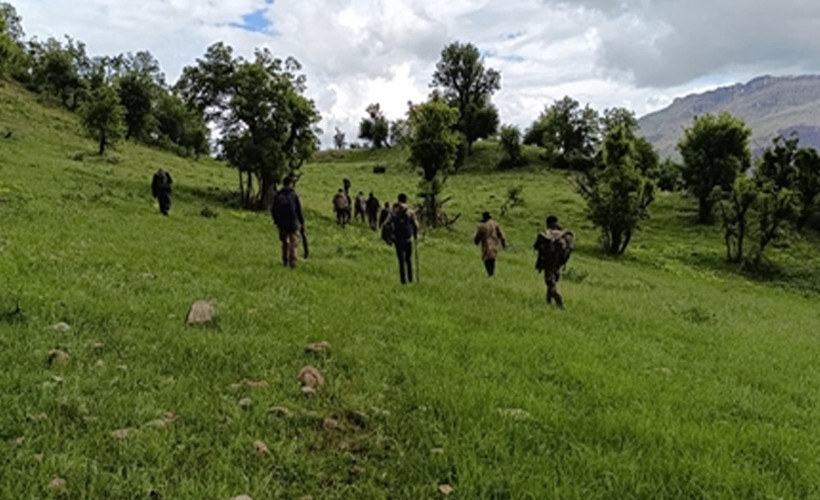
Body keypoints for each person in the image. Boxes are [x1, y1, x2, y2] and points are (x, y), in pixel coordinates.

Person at [533, 215, 574, 308]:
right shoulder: (563, 234)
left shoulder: (545, 234)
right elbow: (570, 248)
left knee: (550, 282)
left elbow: (536, 246)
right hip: (559, 262)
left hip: (547, 261)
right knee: (553, 279)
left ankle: (557, 297)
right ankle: (548, 301)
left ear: (547, 223)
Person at [383, 193, 419, 284]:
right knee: (408, 259)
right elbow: (416, 225)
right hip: (408, 239)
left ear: (398, 200)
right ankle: (410, 278)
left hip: (398, 239)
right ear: (406, 200)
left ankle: (403, 280)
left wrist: (390, 236)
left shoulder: (394, 211)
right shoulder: (410, 211)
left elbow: (386, 224)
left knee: (401, 261)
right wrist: (415, 235)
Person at [271, 176, 305, 268]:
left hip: (281, 223)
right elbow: (299, 210)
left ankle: (285, 260)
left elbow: (273, 209)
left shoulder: (278, 194)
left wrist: (276, 221)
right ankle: (293, 262)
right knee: (294, 243)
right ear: (291, 184)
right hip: (293, 222)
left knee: (285, 242)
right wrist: (302, 222)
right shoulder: (294, 195)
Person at [473, 211, 507, 277]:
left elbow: (477, 237)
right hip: (494, 245)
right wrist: (504, 243)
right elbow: (501, 235)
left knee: (487, 260)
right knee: (492, 260)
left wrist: (476, 242)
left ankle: (490, 274)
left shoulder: (482, 226)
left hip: (486, 245)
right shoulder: (495, 224)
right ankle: (492, 273)